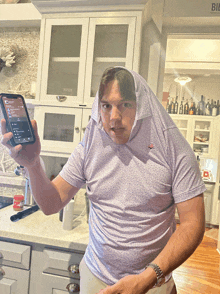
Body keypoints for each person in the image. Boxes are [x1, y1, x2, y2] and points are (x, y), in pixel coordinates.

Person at [1, 67, 206, 294]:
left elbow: (192, 224)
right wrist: (32, 164)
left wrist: (148, 278)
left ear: (143, 106)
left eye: (125, 104)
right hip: (95, 276)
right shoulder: (92, 144)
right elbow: (51, 203)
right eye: (106, 106)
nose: (113, 117)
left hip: (153, 282)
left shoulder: (174, 149)